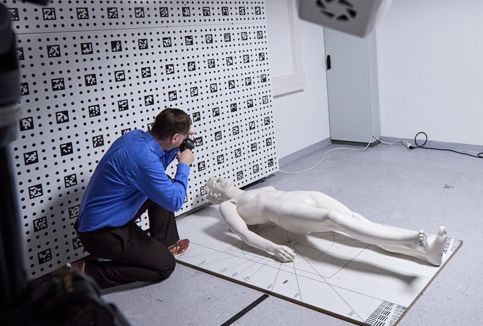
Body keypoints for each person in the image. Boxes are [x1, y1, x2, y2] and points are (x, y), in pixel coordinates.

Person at [74, 108, 196, 287]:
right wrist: (183, 165)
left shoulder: (136, 137)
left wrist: (175, 148)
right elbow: (174, 201)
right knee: (164, 266)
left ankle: (166, 244)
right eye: (183, 138)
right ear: (175, 137)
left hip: (103, 217)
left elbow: (153, 171)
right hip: (102, 233)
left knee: (165, 184)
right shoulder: (142, 159)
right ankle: (85, 272)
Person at [205, 177, 449, 266]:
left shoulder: (258, 187)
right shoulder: (227, 206)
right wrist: (272, 248)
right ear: (215, 196)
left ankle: (427, 252)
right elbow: (244, 235)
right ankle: (412, 242)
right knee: (334, 219)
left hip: (302, 195)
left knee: (355, 217)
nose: (220, 179)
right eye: (215, 183)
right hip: (285, 212)